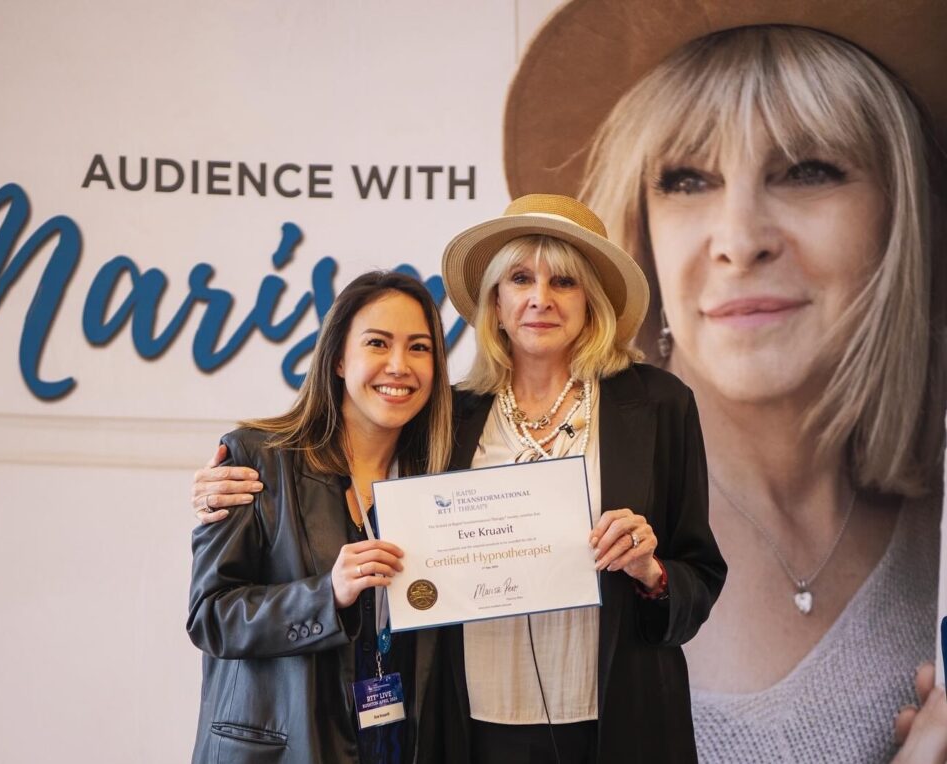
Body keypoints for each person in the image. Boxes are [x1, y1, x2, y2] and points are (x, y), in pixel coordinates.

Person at [502, 2, 947, 762]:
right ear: (637, 232)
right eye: (686, 179)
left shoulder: (941, 522)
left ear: (900, 213)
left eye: (809, 170)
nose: (739, 240)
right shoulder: (540, 528)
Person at [195, 194, 728, 763]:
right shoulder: (448, 417)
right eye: (520, 278)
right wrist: (224, 481)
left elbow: (699, 571)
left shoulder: (659, 406)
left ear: (592, 300)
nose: (540, 299)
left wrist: (652, 573)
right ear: (494, 302)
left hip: (621, 721)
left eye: (565, 282)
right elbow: (346, 452)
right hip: (468, 726)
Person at [187, 271, 453, 764]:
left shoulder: (438, 476)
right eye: (378, 343)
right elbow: (211, 618)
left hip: (394, 742)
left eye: (419, 348)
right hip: (284, 749)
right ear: (337, 358)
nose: (399, 366)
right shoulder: (257, 457)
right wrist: (325, 595)